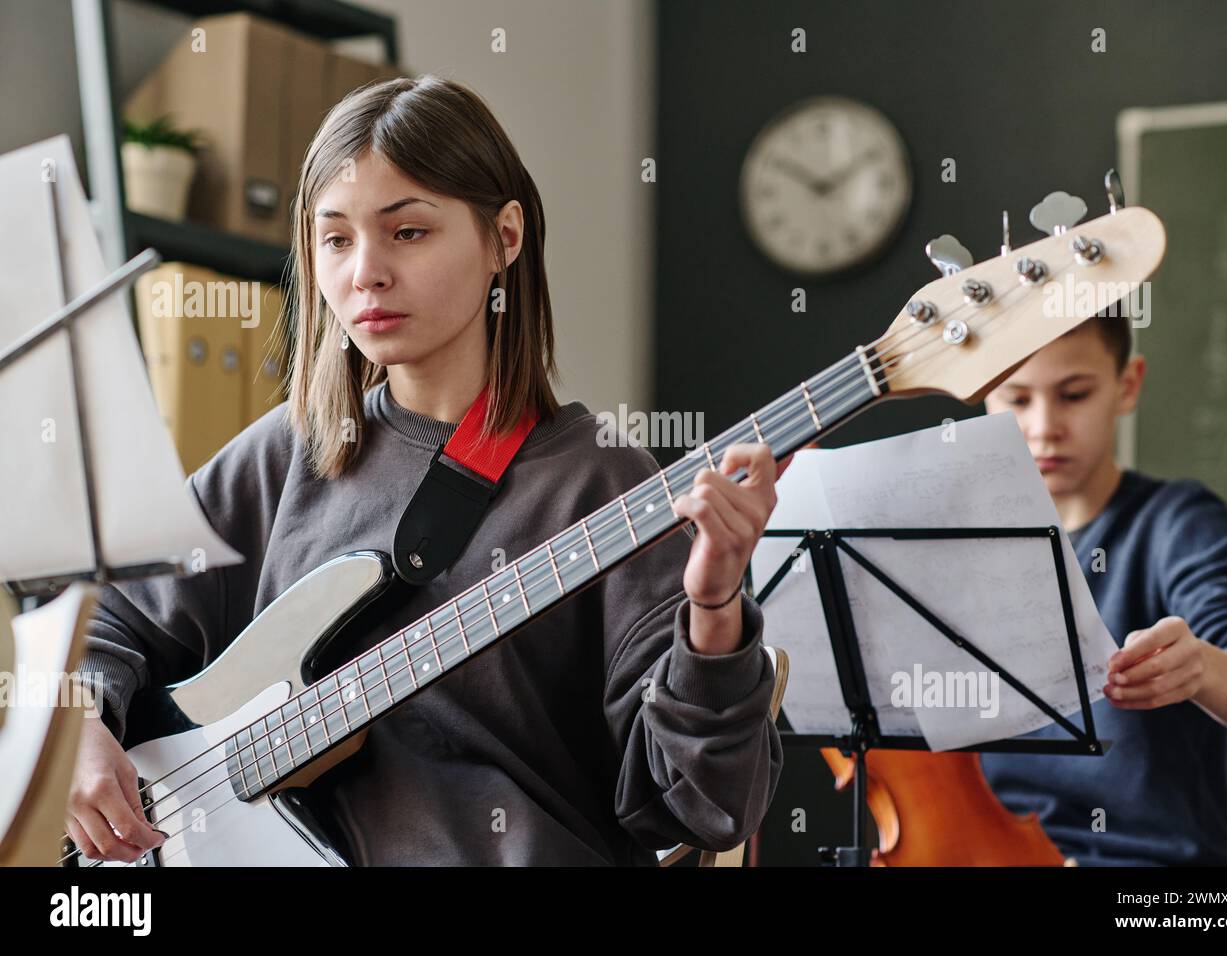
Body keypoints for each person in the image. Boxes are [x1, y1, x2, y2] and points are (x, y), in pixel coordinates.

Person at [65, 74, 783, 866]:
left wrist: (714, 614)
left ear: (504, 238)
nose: (365, 271)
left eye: (407, 232)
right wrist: (81, 725)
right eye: (336, 239)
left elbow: (707, 808)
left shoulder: (606, 487)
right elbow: (110, 615)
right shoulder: (290, 452)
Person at [979, 311, 1227, 865]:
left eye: (1074, 394)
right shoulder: (960, 545)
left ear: (1127, 386)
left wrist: (1200, 668)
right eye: (1017, 399)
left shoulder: (1177, 521)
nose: (1044, 426)